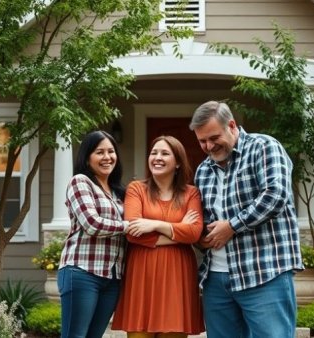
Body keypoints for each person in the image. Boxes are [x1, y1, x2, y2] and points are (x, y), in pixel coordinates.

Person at [189, 101, 304, 338]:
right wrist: (200, 237)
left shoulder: (264, 147)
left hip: (264, 271)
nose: (209, 146)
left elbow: (275, 195)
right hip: (216, 278)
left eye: (214, 137)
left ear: (231, 125)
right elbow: (205, 218)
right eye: (202, 141)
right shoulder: (203, 170)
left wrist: (231, 226)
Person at [111, 135, 205, 338]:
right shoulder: (137, 189)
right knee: (139, 333)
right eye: (154, 153)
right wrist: (179, 231)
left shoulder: (191, 194)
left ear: (178, 162)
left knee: (172, 332)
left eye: (165, 153)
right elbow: (134, 234)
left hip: (177, 275)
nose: (157, 157)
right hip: (141, 272)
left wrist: (154, 224)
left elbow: (195, 232)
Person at [57, 130, 128, 338]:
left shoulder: (118, 192)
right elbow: (92, 224)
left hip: (112, 278)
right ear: (87, 158)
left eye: (111, 151)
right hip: (82, 272)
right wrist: (128, 225)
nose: (107, 157)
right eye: (100, 152)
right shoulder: (80, 182)